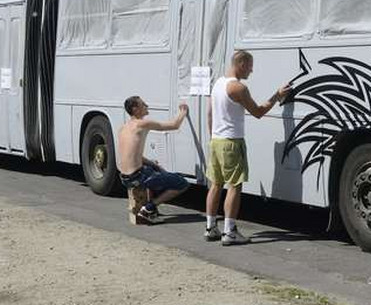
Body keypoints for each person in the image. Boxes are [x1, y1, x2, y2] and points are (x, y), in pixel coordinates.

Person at [205, 50, 290, 245]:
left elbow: (209, 114)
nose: (251, 70)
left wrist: (213, 136)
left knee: (216, 184)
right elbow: (258, 112)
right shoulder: (238, 88)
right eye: (250, 66)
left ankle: (210, 227)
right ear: (241, 63)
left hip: (216, 141)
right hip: (232, 142)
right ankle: (230, 232)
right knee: (234, 186)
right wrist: (277, 96)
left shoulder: (218, 83)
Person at [117, 96, 190, 224]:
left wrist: (154, 165)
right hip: (138, 177)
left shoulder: (123, 128)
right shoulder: (142, 124)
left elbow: (132, 155)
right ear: (135, 109)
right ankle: (148, 208)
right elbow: (174, 125)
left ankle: (150, 208)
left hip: (124, 177)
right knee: (182, 183)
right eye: (143, 104)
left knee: (153, 168)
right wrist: (183, 111)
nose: (147, 106)